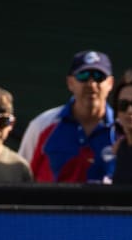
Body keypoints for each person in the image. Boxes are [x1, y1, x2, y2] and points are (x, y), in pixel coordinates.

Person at [17, 50, 116, 183]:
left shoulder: (122, 129)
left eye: (99, 77)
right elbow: (21, 178)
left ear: (110, 83)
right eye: (83, 76)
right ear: (70, 83)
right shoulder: (42, 125)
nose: (91, 85)